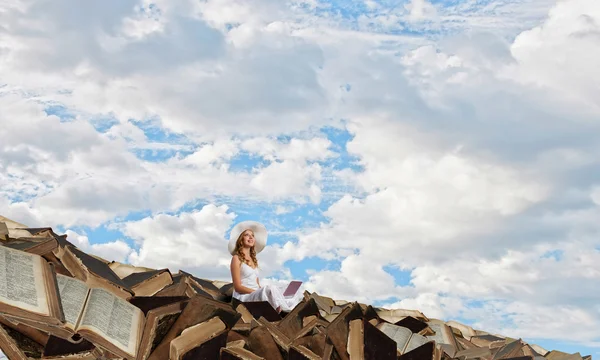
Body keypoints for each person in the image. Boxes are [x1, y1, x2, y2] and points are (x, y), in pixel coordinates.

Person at [229, 221, 303, 313]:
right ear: (240, 239)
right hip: (244, 297)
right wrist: (258, 291)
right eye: (247, 235)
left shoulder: (253, 260)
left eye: (252, 235)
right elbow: (237, 287)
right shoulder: (236, 259)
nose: (251, 237)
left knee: (288, 287)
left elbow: (257, 284)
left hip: (256, 293)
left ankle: (284, 305)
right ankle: (282, 308)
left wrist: (261, 290)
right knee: (270, 289)